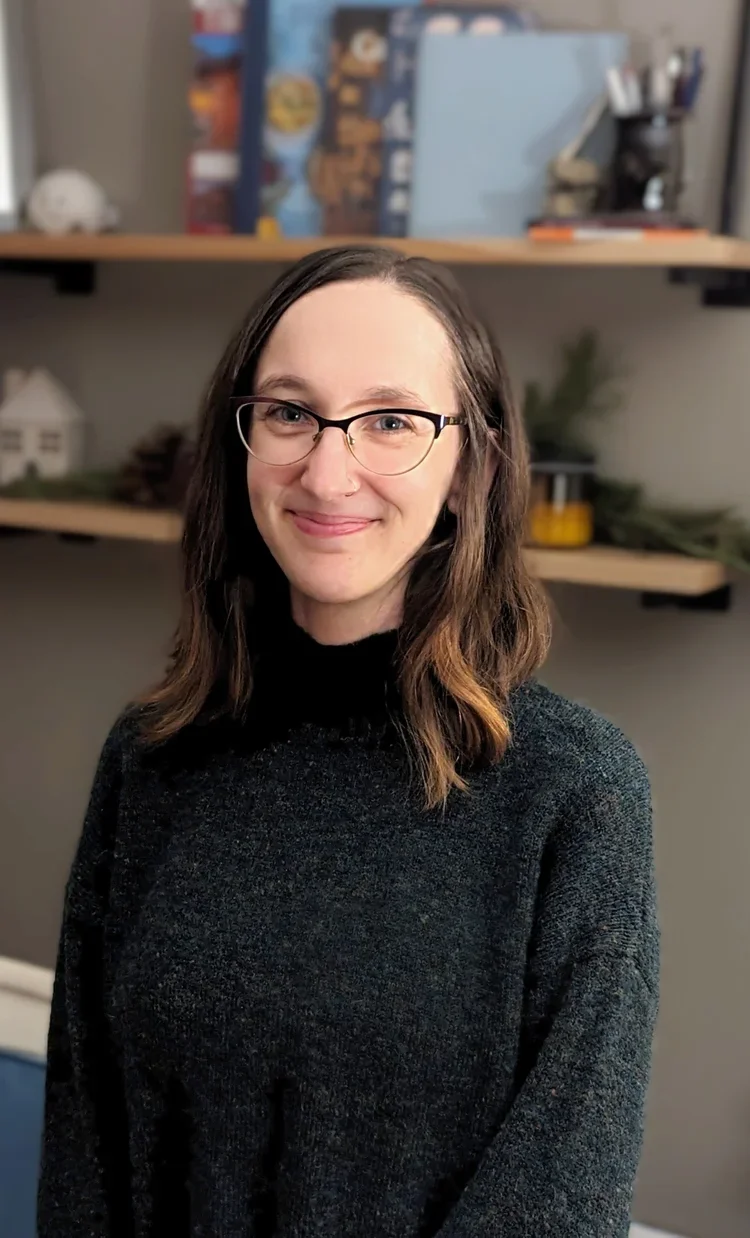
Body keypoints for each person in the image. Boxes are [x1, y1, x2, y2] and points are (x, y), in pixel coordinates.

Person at [38, 245, 659, 1238]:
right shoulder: (152, 755)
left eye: (392, 421)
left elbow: (558, 1196)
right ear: (240, 443)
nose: (329, 470)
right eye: (289, 411)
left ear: (473, 467)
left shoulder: (572, 788)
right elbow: (84, 1147)